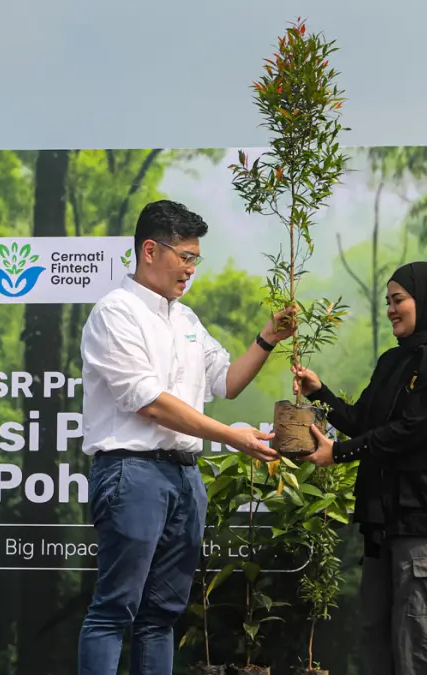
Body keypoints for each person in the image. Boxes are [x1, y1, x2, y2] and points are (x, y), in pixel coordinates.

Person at [77, 199, 292, 675]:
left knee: (162, 615)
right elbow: (149, 401)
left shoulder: (188, 321)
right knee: (115, 609)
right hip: (131, 473)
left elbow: (226, 383)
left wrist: (267, 339)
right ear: (150, 250)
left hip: (184, 479)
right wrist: (230, 438)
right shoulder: (116, 312)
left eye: (197, 258)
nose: (192, 268)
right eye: (186, 256)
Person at [293, 260, 427, 675]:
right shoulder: (394, 361)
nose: (391, 310)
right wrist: (320, 392)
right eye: (388, 302)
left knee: (423, 640)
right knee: (378, 636)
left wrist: (340, 453)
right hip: (389, 524)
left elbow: (412, 428)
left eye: (399, 300)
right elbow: (365, 420)